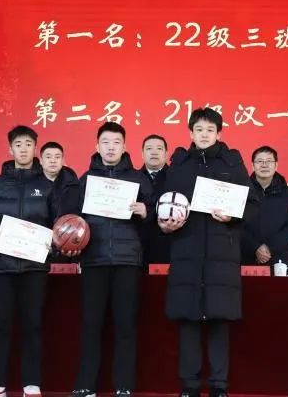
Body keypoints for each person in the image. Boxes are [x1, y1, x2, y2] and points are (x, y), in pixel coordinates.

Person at [159, 107, 260, 397]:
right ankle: (189, 386)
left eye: (210, 130)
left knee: (219, 320)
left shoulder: (232, 163)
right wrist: (164, 223)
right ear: (191, 133)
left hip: (221, 253)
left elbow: (252, 204)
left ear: (219, 133)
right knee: (188, 319)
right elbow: (164, 203)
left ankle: (218, 386)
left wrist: (232, 216)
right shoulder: (179, 164)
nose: (204, 135)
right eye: (199, 130)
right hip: (186, 250)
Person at [0, 126, 58, 397]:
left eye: (28, 144)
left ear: (35, 148)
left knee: (33, 323)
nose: (23, 149)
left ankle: (32, 382)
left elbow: (57, 224)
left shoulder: (47, 185)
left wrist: (56, 243)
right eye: (18, 144)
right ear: (10, 149)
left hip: (35, 267)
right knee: (0, 323)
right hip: (2, 266)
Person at [68, 122, 154, 397]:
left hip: (128, 261)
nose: (111, 147)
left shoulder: (139, 179)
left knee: (125, 325)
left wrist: (146, 211)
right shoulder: (85, 180)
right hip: (94, 259)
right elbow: (72, 217)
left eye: (116, 142)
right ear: (97, 146)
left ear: (124, 146)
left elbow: (155, 218)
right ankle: (85, 385)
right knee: (91, 324)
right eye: (105, 142)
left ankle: (124, 386)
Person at [241, 146, 288, 274]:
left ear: (276, 165)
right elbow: (236, 225)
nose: (264, 165)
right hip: (246, 257)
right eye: (259, 161)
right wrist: (255, 248)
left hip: (279, 259)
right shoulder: (242, 190)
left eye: (269, 161)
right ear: (252, 165)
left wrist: (270, 248)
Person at [140, 134, 171, 264]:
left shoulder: (177, 177)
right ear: (142, 154)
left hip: (170, 246)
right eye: (149, 148)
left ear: (166, 153)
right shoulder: (132, 178)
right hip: (139, 248)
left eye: (159, 148)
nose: (154, 152)